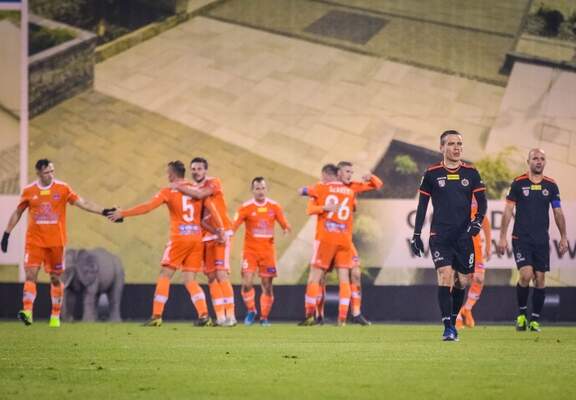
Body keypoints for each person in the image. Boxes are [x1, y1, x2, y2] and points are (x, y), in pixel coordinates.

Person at [108, 161, 222, 327]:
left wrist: (123, 213)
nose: (167, 176)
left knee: (165, 275)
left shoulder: (168, 191)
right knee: (190, 279)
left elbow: (147, 207)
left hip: (179, 239)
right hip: (196, 238)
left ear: (172, 174)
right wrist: (220, 230)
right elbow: (212, 209)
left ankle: (156, 315)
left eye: (168, 173)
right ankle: (204, 315)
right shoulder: (197, 190)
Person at [1, 159, 111, 327]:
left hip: (56, 243)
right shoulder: (29, 191)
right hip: (34, 242)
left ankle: (55, 315)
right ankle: (27, 312)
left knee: (54, 278)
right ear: (38, 173)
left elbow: (83, 203)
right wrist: (6, 234)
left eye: (52, 171)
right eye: (47, 172)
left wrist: (104, 211)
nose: (51, 175)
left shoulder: (63, 188)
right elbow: (18, 212)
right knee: (30, 274)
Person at [410, 130, 487, 341]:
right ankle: (447, 327)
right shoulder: (432, 173)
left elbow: (482, 203)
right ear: (441, 148)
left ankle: (453, 321)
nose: (456, 148)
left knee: (462, 281)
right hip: (440, 235)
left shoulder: (471, 173)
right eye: (451, 144)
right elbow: (422, 206)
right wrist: (416, 234)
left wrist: (477, 222)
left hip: (464, 237)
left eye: (459, 144)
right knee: (445, 274)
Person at [300, 162, 383, 325]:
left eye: (351, 172)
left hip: (343, 239)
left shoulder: (351, 187)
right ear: (338, 173)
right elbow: (310, 206)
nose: (350, 175)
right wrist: (324, 206)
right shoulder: (331, 188)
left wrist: (371, 177)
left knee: (355, 274)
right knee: (322, 278)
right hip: (333, 238)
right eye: (347, 171)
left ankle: (354, 314)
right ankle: (319, 315)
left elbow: (377, 184)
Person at [497, 148, 568, 332]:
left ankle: (535, 320)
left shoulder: (551, 185)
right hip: (521, 238)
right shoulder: (518, 183)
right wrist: (502, 237)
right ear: (528, 162)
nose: (539, 161)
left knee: (540, 279)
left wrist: (563, 236)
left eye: (542, 158)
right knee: (526, 275)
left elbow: (558, 211)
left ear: (545, 162)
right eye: (535, 158)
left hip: (541, 240)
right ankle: (521, 315)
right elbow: (508, 210)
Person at [173, 157, 236, 326]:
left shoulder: (213, 182)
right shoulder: (193, 190)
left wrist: (180, 187)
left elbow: (201, 195)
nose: (196, 172)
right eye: (193, 169)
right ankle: (220, 317)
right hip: (207, 235)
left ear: (205, 170)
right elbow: (199, 219)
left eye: (199, 168)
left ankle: (231, 316)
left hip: (222, 233)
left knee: (221, 273)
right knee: (211, 277)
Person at [299, 164, 357, 327]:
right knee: (344, 279)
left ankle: (310, 315)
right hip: (344, 238)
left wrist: (308, 193)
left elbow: (303, 194)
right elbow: (354, 208)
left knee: (315, 277)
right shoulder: (350, 191)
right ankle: (342, 319)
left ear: (327, 174)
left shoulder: (322, 187)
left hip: (326, 238)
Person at [232, 177, 291, 326]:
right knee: (247, 283)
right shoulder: (246, 207)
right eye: (257, 188)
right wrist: (229, 233)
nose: (260, 191)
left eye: (263, 188)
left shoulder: (274, 206)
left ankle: (264, 317)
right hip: (250, 251)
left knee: (267, 286)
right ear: (252, 190)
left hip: (267, 253)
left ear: (267, 189)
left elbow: (284, 223)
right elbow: (234, 225)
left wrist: (286, 228)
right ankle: (251, 310)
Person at [456, 196, 491, 329]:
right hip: (458, 244)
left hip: (475, 245)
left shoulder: (476, 195)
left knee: (479, 278)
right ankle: (456, 315)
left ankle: (467, 309)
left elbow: (484, 220)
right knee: (459, 280)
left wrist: (488, 245)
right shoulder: (453, 192)